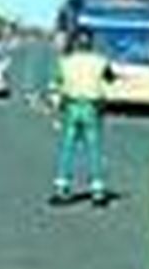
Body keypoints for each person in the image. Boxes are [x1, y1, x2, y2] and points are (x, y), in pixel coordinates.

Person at [50, 28, 116, 205]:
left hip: (71, 107)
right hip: (92, 108)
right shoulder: (100, 61)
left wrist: (55, 106)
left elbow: (56, 83)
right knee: (94, 148)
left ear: (75, 43)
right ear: (91, 43)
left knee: (68, 148)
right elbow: (110, 78)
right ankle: (97, 191)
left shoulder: (65, 62)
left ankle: (62, 188)